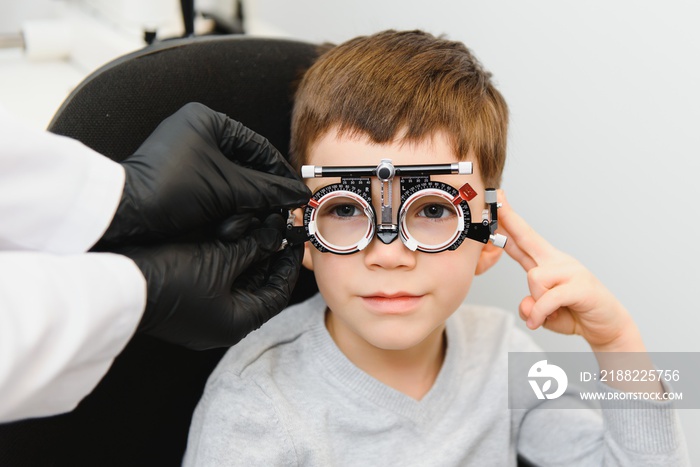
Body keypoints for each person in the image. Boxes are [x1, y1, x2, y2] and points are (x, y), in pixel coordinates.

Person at [183, 31, 689, 466]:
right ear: (302, 234)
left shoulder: (502, 356)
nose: (389, 253)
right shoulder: (255, 401)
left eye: (430, 211)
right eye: (344, 209)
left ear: (488, 235)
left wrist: (619, 343)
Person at [0, 102, 310, 423]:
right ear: (299, 219)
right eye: (344, 208)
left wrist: (120, 200)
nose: (369, 254)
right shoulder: (256, 410)